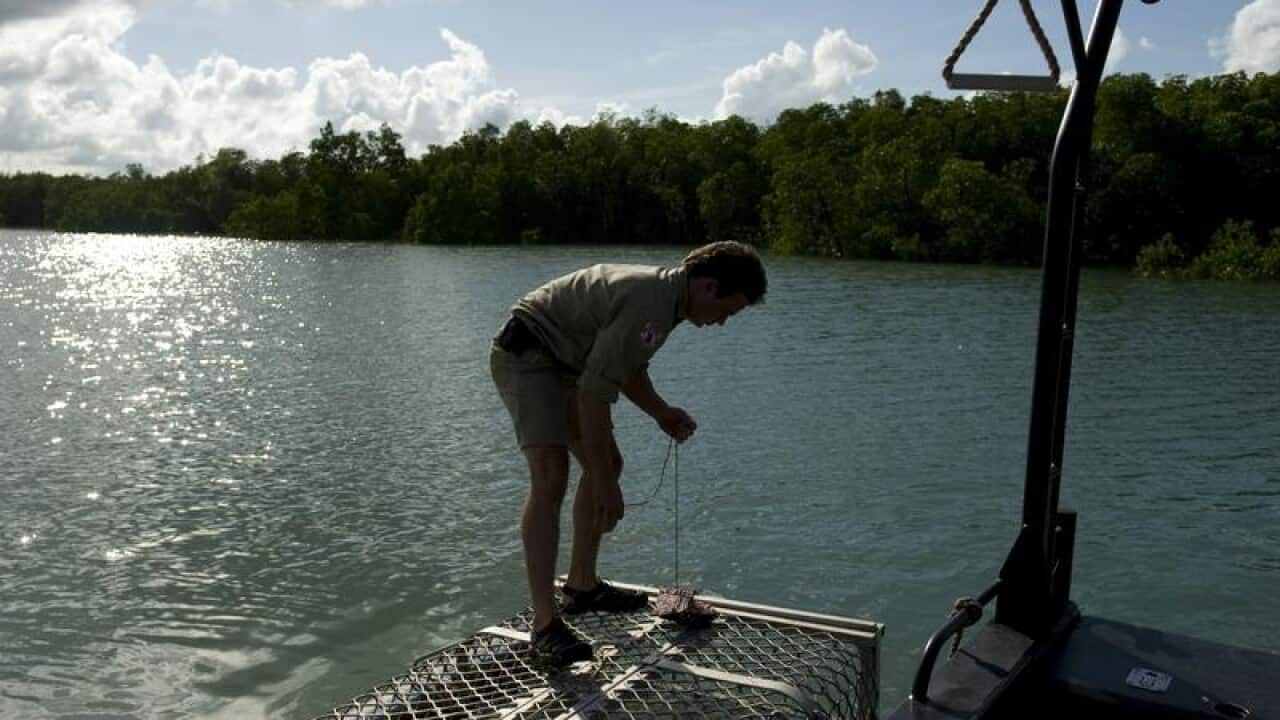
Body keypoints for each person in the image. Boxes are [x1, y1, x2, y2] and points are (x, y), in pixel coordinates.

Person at [489, 240, 768, 666]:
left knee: (609, 463)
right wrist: (603, 486)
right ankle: (545, 626)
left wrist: (660, 412)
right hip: (528, 355)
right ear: (709, 287)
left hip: (567, 364)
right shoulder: (652, 301)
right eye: (728, 311)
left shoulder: (669, 302)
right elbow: (594, 395)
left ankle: (582, 586)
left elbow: (626, 367)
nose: (722, 323)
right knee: (550, 477)